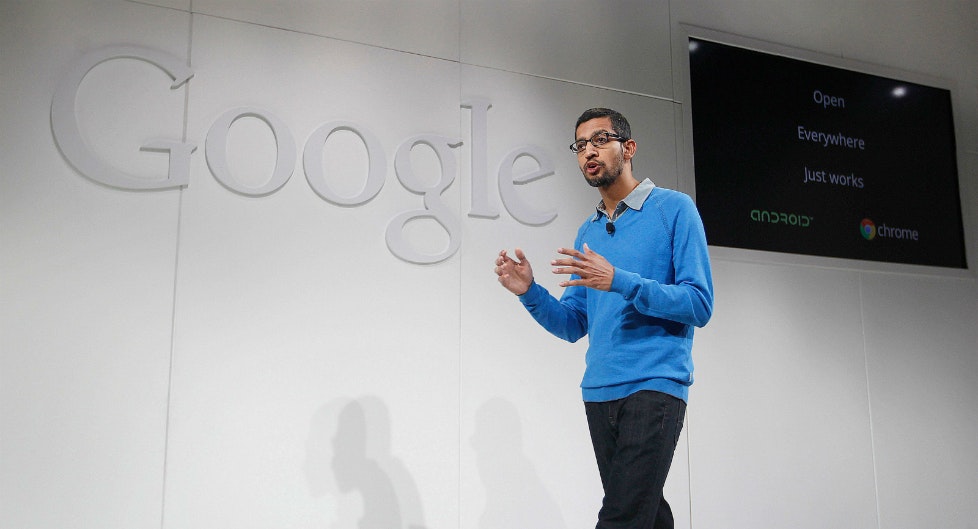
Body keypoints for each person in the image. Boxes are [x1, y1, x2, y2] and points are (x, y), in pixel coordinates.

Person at [493, 108, 714, 529]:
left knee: (621, 518)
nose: (588, 152)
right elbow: (574, 323)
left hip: (654, 386)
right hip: (599, 394)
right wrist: (530, 292)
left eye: (600, 140)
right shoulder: (588, 232)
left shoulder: (674, 210)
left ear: (628, 148)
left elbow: (699, 303)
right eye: (580, 145)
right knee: (646, 515)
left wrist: (621, 281)